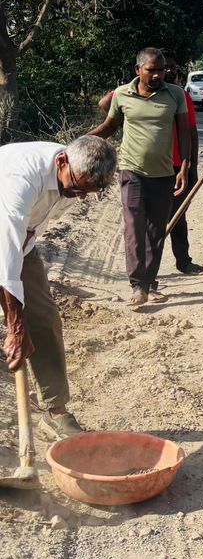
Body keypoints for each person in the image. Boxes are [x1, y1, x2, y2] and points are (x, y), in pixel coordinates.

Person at [1, 136, 118, 440]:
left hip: (20, 244)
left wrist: (24, 320)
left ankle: (56, 412)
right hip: (6, 239)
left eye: (87, 193)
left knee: (44, 320)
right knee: (18, 323)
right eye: (76, 189)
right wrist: (15, 326)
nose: (79, 197)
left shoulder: (74, 173)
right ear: (62, 162)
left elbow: (18, 247)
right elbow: (5, 254)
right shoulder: (21, 179)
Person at [90, 47, 191, 308]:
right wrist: (83, 142)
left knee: (156, 231)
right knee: (134, 227)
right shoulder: (122, 94)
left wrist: (185, 167)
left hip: (164, 173)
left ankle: (149, 283)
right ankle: (138, 285)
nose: (158, 74)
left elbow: (184, 133)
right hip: (131, 170)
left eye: (161, 69)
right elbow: (110, 126)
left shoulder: (176, 94)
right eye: (152, 70)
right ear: (138, 70)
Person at [162, 52, 203, 275]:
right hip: (149, 169)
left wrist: (192, 168)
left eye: (171, 67)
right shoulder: (137, 95)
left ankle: (184, 261)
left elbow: (191, 133)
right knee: (151, 219)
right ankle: (146, 273)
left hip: (178, 166)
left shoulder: (181, 96)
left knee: (178, 215)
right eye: (163, 67)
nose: (168, 71)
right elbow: (107, 103)